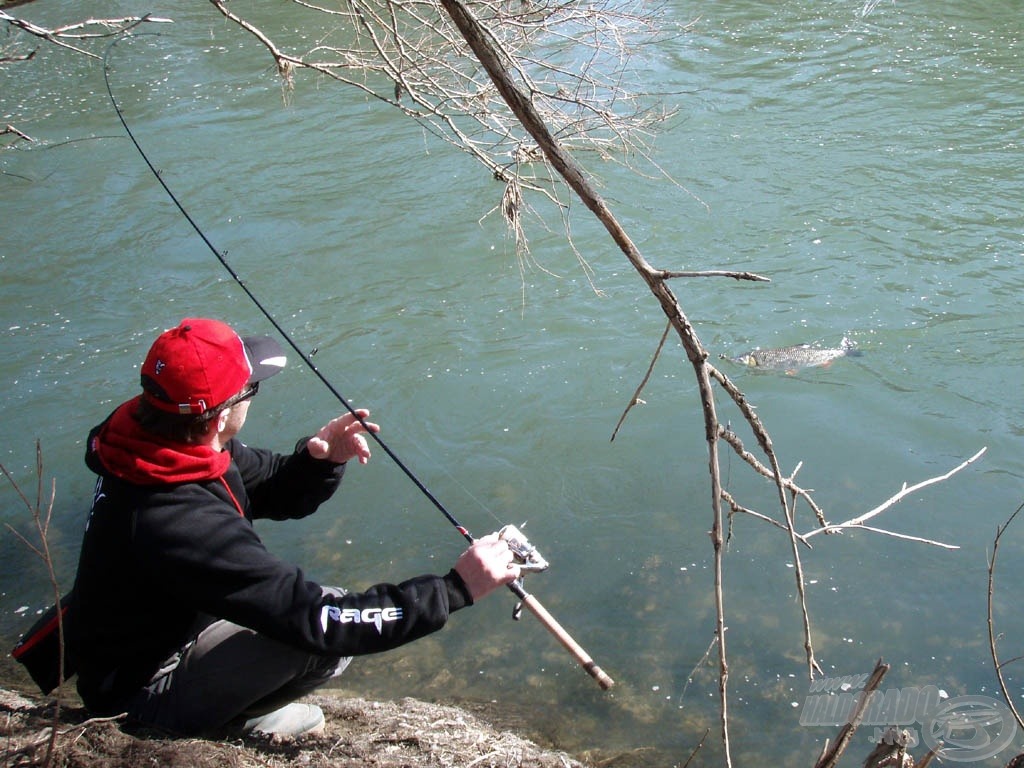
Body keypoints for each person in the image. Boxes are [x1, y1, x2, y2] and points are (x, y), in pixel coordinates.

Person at [67, 318, 521, 738]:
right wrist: (454, 589)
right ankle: (215, 719)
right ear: (222, 416)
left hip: (151, 641)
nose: (255, 394)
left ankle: (224, 700)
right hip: (139, 694)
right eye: (251, 390)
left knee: (312, 611)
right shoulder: (176, 519)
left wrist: (318, 461)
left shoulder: (154, 444)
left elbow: (266, 485)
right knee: (325, 623)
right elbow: (321, 622)